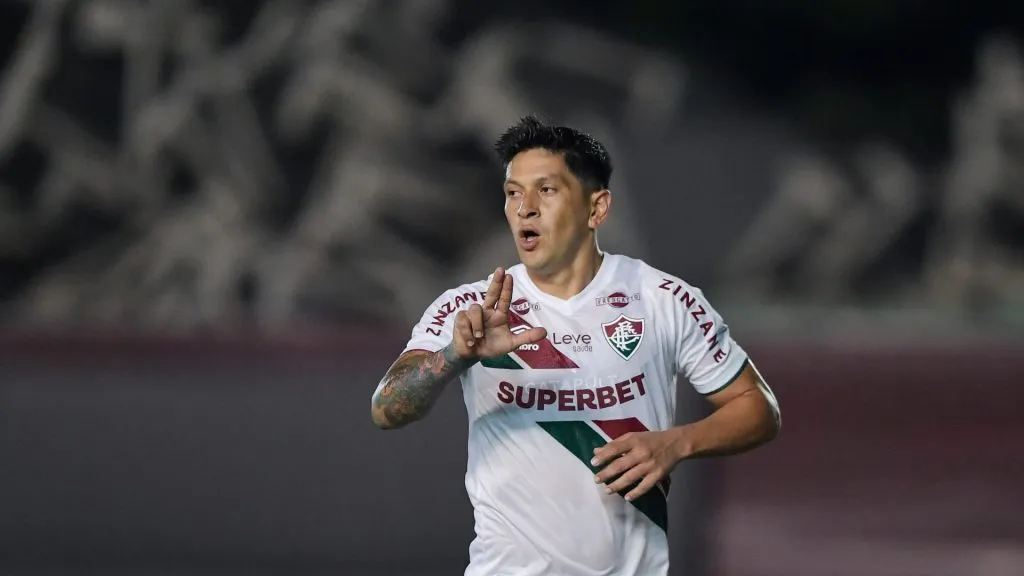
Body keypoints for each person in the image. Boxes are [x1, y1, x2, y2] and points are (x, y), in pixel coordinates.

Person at [370, 116, 781, 576]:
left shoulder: (663, 299)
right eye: (512, 193)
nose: (524, 208)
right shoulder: (470, 308)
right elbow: (386, 409)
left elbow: (759, 409)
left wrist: (677, 443)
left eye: (546, 190)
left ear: (596, 209)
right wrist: (453, 357)